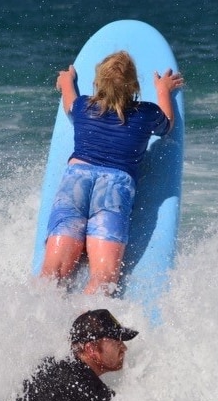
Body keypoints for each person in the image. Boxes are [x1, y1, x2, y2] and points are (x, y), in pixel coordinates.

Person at [41, 50, 184, 294]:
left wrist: (66, 81)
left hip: (76, 180)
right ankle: (86, 327)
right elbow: (167, 125)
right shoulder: (147, 114)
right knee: (104, 279)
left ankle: (38, 322)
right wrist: (163, 90)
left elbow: (68, 103)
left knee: (52, 276)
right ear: (134, 85)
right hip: (114, 188)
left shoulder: (83, 107)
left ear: (97, 83)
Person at [5, 309, 138, 401]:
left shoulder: (52, 365)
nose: (124, 347)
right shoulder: (84, 390)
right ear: (91, 348)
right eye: (117, 341)